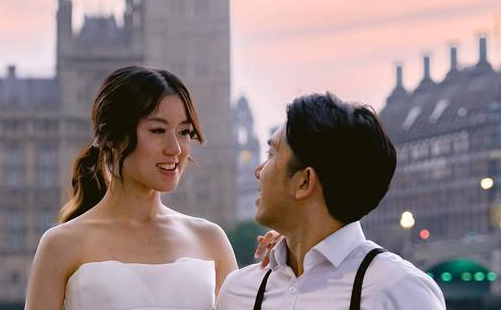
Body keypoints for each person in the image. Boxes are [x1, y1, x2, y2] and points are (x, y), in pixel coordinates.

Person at [24, 66, 238, 310]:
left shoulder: (210, 239)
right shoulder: (61, 244)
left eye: (184, 132)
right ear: (113, 137)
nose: (175, 149)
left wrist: (286, 253)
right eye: (158, 130)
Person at [216, 92, 446, 310]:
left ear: (305, 182)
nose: (258, 171)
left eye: (271, 156)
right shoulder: (238, 292)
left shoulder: (399, 290)